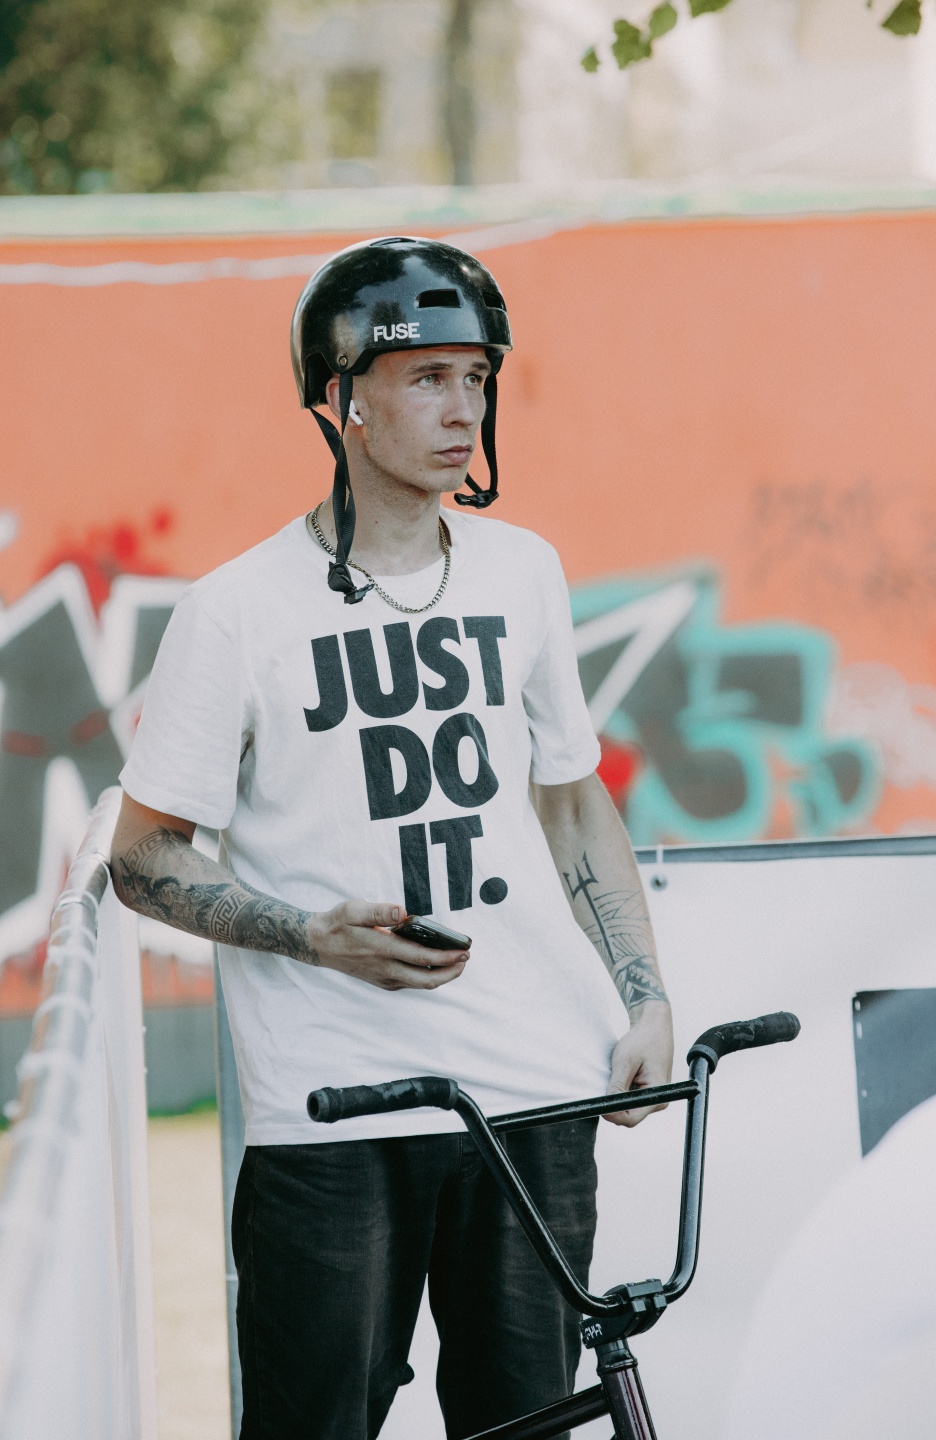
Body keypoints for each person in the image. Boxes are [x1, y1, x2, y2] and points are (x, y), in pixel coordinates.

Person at [111, 236, 673, 1440]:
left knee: (527, 1421)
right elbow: (141, 858)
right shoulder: (235, 611)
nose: (463, 409)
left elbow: (572, 800)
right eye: (427, 377)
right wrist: (313, 936)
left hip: (534, 1093)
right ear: (342, 399)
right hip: (337, 1107)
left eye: (478, 378)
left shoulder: (524, 571)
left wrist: (645, 997)